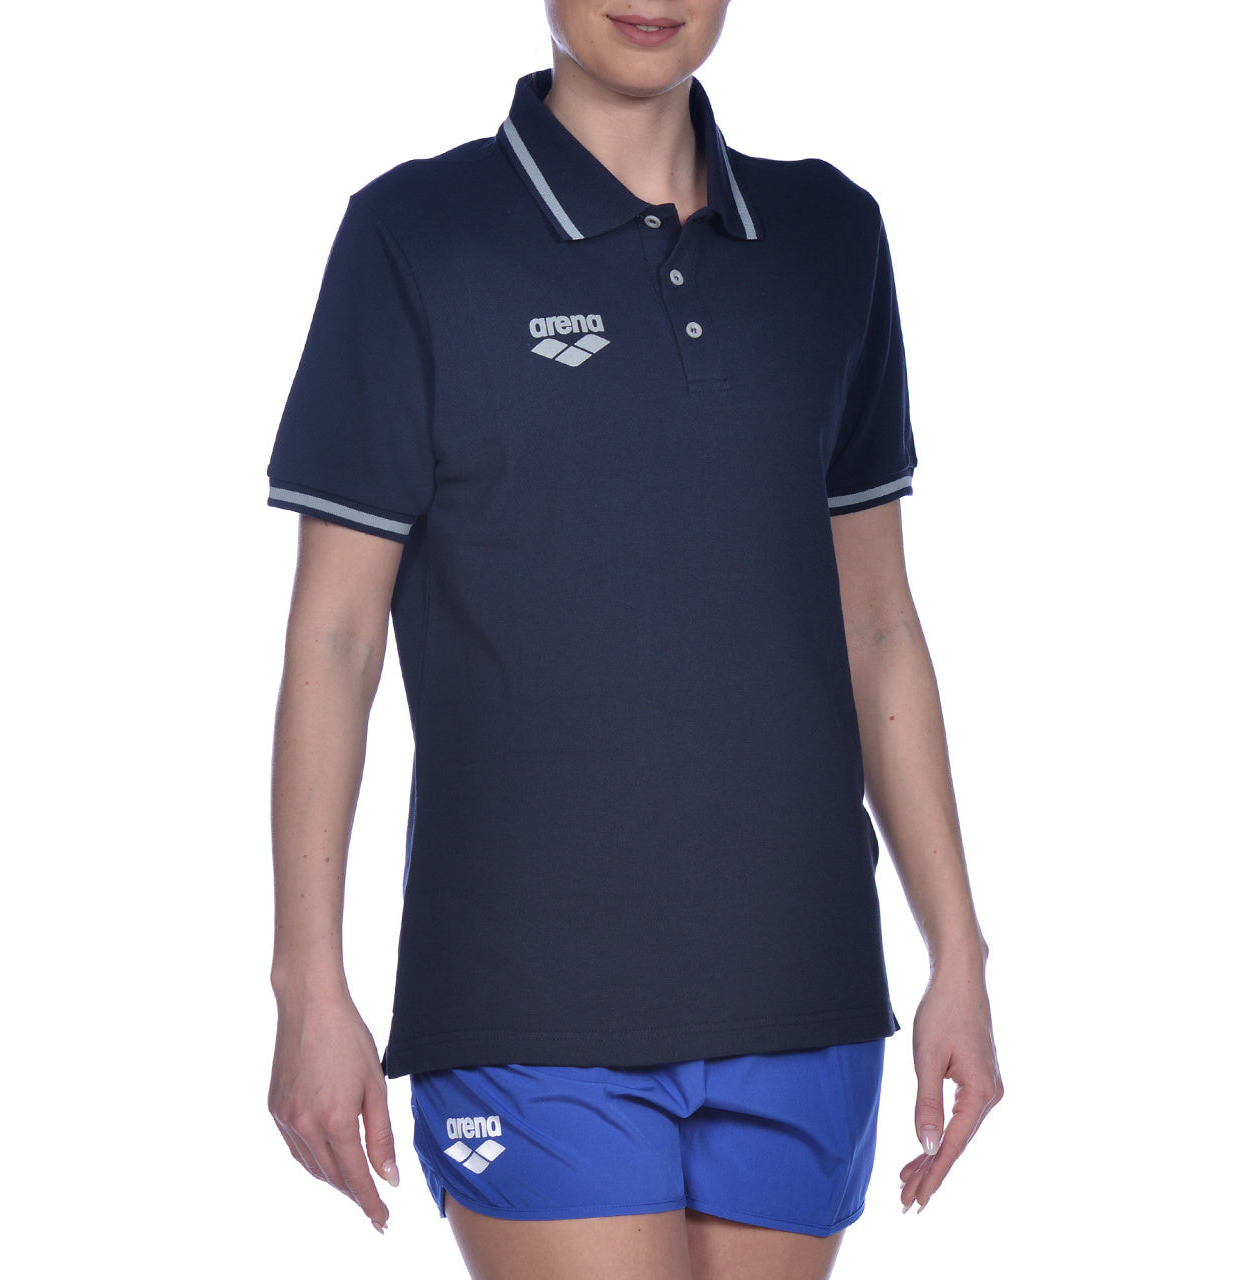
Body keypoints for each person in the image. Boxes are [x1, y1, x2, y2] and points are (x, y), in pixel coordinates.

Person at [264, 3, 1003, 1277]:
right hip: (527, 993)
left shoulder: (831, 234)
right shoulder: (414, 233)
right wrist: (306, 982)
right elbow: (334, 639)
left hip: (800, 977)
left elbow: (877, 620)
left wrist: (957, 952)